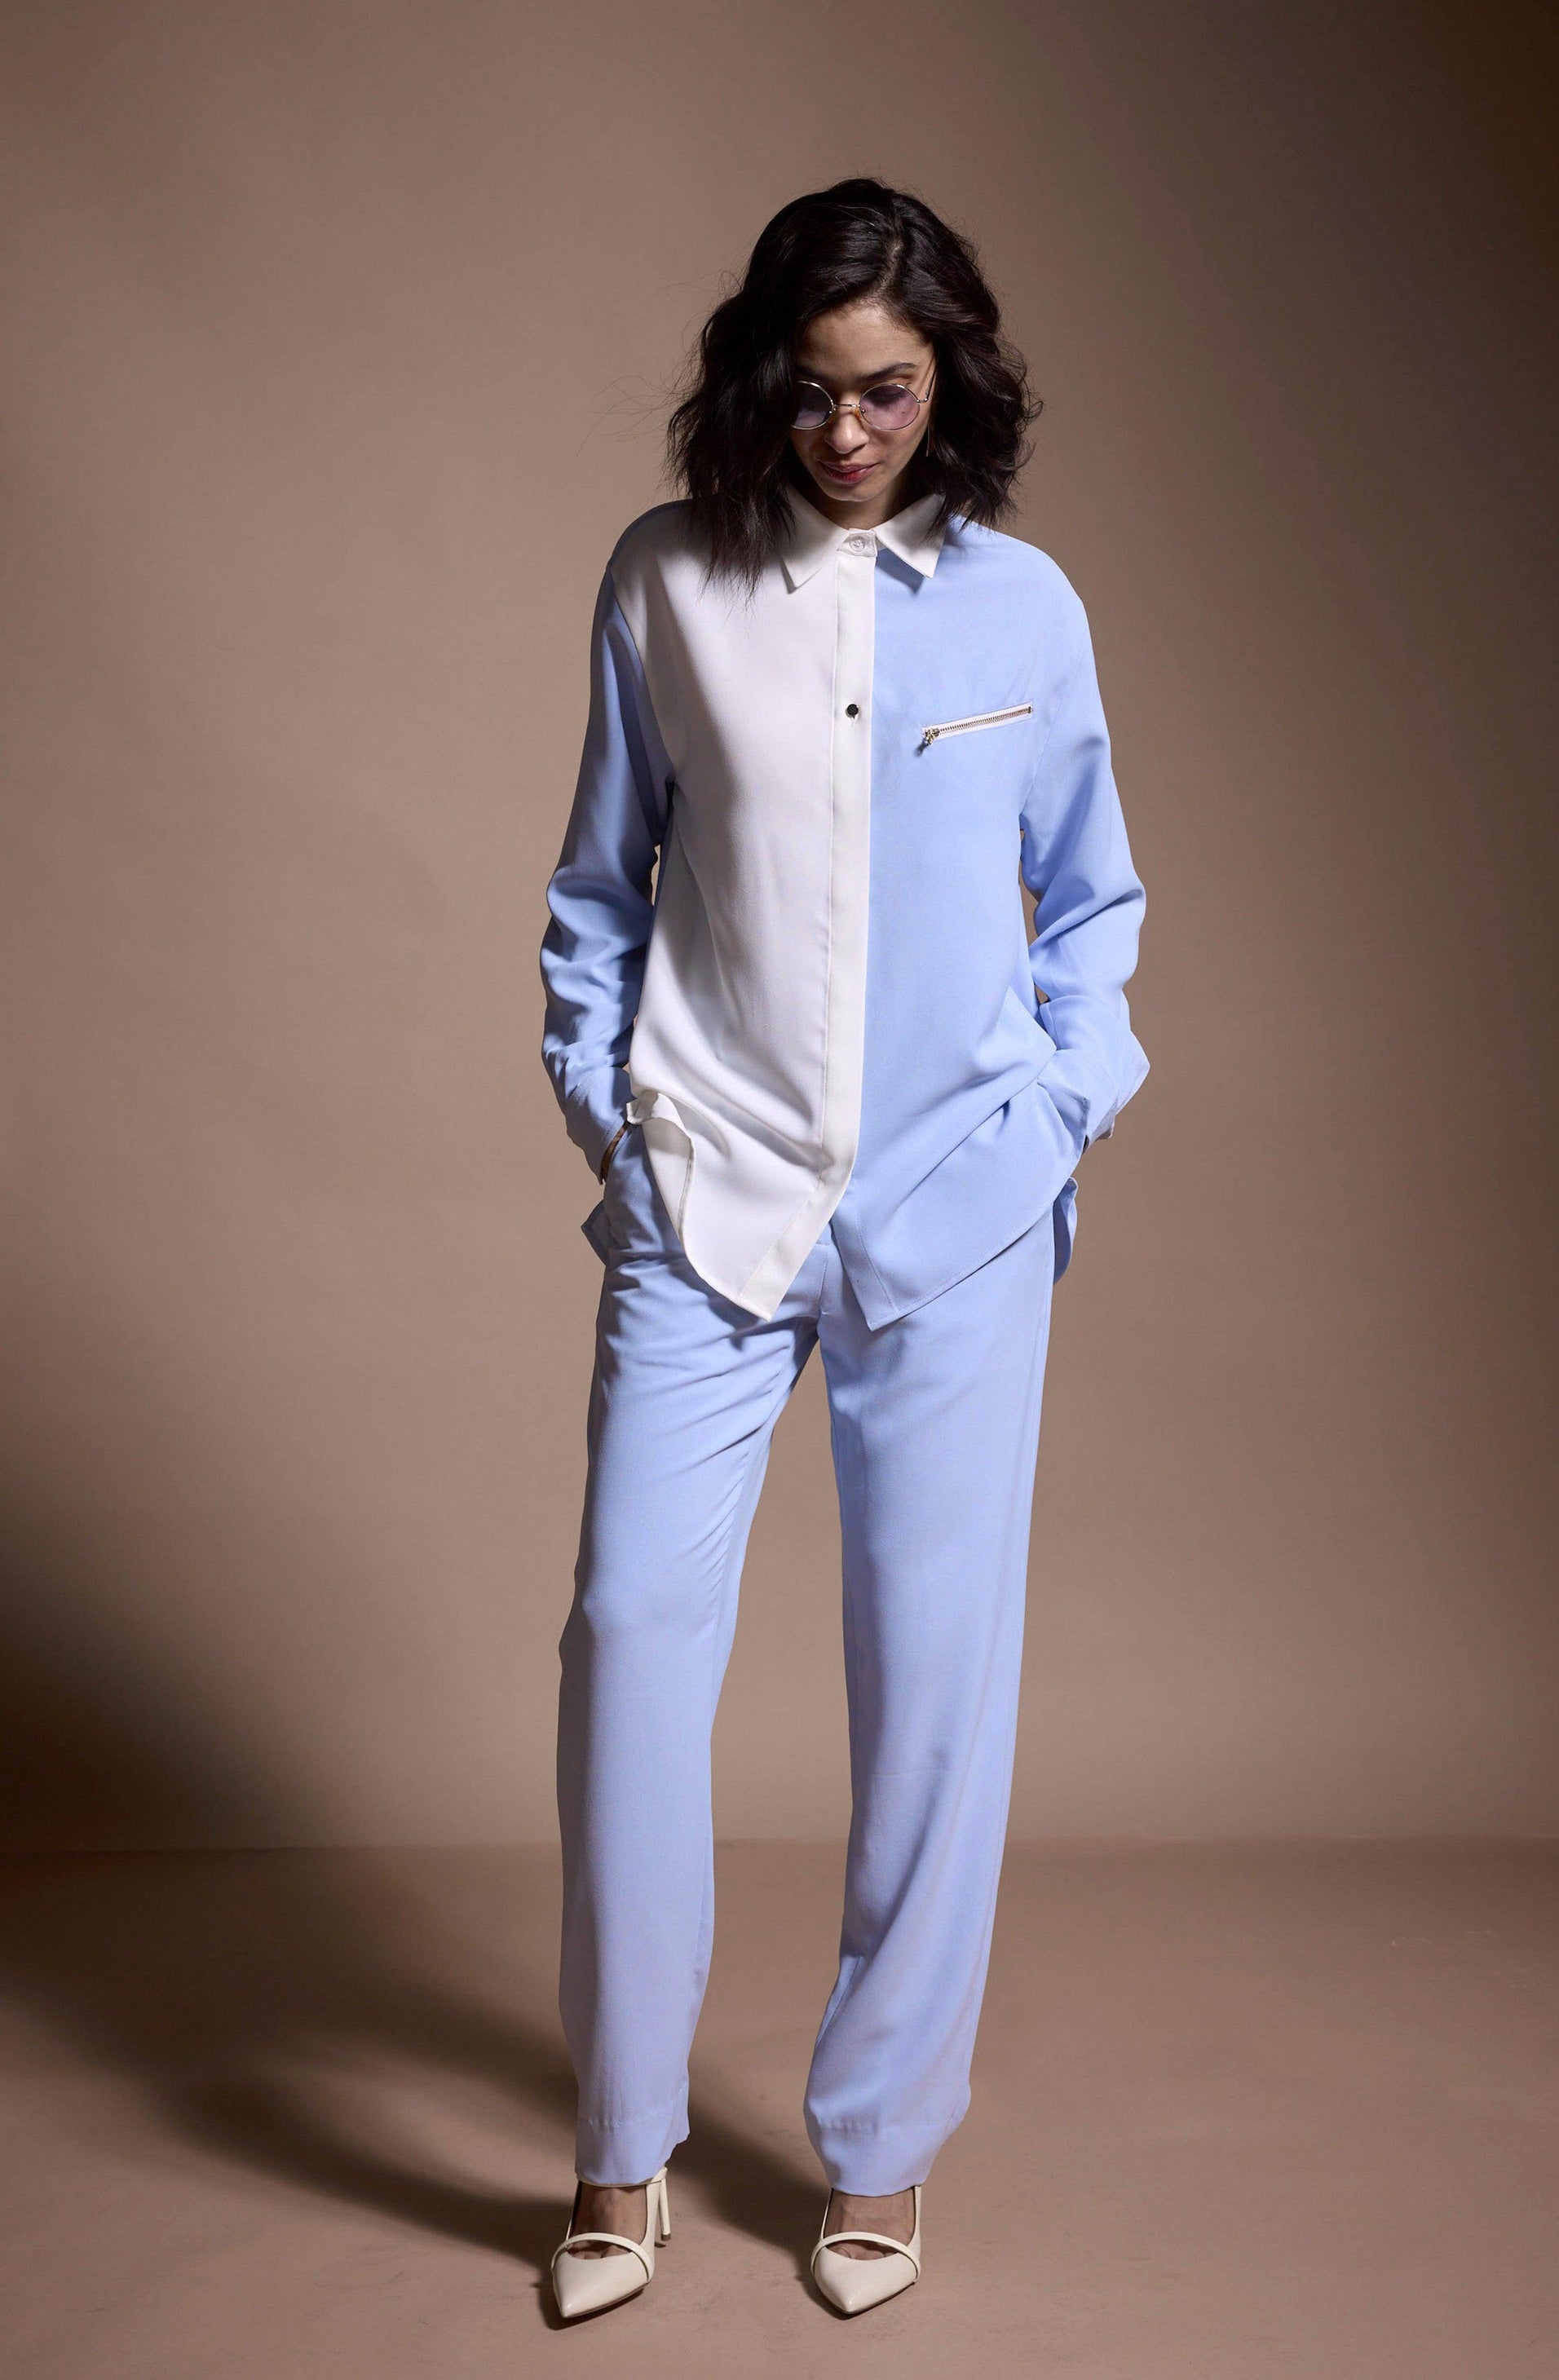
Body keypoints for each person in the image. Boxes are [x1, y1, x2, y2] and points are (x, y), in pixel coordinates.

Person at [539, 176, 1148, 2321]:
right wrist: (615, 1108)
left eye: (887, 391)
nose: (848, 431)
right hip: (709, 1196)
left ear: (948, 384)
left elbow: (1094, 900)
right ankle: (618, 2146)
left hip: (955, 1205)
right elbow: (597, 893)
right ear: (759, 383)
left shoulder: (1028, 611)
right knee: (628, 1634)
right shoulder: (664, 582)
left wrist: (1057, 1109)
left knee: (932, 1683)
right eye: (811, 392)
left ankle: (881, 2146)